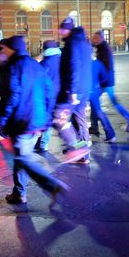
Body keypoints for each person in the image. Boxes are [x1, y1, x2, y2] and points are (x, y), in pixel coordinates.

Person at [0, 36, 70, 205]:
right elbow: (49, 92)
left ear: (10, 49)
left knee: (23, 158)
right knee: (22, 155)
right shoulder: (35, 65)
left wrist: (2, 120)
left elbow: (11, 97)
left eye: (3, 48)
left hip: (21, 120)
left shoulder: (13, 67)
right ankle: (19, 192)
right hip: (36, 119)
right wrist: (47, 116)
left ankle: (52, 185)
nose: (1, 52)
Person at [55, 17, 92, 164]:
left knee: (59, 117)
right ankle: (83, 153)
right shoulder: (83, 42)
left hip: (75, 89)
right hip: (84, 88)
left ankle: (78, 149)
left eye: (62, 28)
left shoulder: (72, 43)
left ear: (67, 29)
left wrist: (72, 91)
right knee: (80, 118)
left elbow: (74, 67)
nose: (60, 31)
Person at [90, 31, 129, 137]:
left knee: (98, 102)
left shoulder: (103, 50)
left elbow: (105, 67)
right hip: (107, 81)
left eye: (96, 38)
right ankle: (94, 126)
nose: (94, 40)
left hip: (105, 82)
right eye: (93, 38)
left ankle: (95, 126)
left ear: (101, 38)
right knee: (97, 102)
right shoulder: (103, 48)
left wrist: (101, 80)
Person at [37, 40, 61, 152]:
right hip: (62, 94)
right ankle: (76, 143)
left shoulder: (44, 64)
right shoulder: (62, 59)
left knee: (49, 119)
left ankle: (43, 143)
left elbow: (40, 81)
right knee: (60, 119)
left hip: (49, 96)